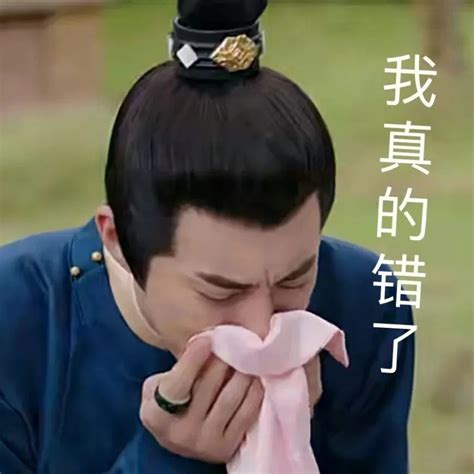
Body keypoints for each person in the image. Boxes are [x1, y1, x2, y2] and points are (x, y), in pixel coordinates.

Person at [0, 0, 414, 473]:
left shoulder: (368, 305)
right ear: (116, 239)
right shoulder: (17, 320)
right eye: (221, 291)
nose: (261, 329)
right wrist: (166, 459)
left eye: (295, 279)